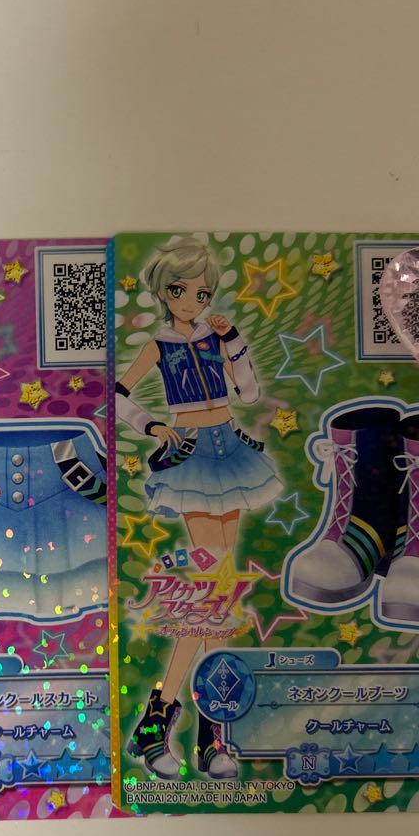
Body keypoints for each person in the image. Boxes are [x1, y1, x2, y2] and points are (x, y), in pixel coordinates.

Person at [116, 236, 281, 779]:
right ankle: (191, 730)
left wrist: (233, 339)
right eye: (182, 290)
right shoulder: (158, 345)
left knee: (219, 598)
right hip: (190, 454)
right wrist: (151, 425)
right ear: (165, 292)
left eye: (203, 292)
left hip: (229, 448)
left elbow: (249, 394)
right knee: (215, 598)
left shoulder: (217, 336)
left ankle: (182, 730)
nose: (193, 301)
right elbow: (114, 393)